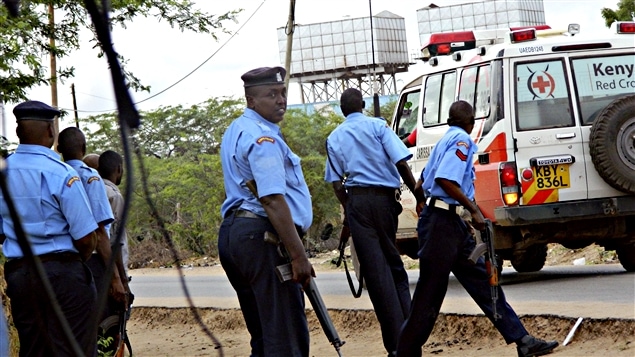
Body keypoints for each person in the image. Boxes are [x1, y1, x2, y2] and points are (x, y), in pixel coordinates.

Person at [396, 100, 559, 357]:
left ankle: (522, 340)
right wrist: (473, 209)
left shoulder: (443, 141)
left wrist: (423, 203)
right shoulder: (461, 141)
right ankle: (403, 351)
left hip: (447, 223)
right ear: (470, 122)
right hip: (442, 226)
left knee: (485, 284)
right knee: (429, 293)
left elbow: (421, 183)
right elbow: (445, 179)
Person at [218, 66, 314, 356]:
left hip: (237, 235)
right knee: (285, 337)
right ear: (251, 101)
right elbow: (272, 199)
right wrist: (298, 256)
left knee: (264, 335)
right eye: (271, 95)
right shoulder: (264, 138)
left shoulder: (237, 129)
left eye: (282, 93)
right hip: (262, 238)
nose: (280, 100)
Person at [324, 88, 425, 356]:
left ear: (342, 110)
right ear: (364, 104)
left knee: (376, 274)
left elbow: (336, 183)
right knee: (393, 265)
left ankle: (395, 345)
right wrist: (418, 195)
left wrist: (350, 210)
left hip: (357, 202)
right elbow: (402, 163)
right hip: (384, 202)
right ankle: (410, 339)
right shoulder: (378, 127)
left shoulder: (334, 137)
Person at [0, 100, 98, 356]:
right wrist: (71, 265)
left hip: (20, 276)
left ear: (18, 132)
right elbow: (87, 238)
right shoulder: (62, 174)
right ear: (50, 132)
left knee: (33, 349)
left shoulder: (3, 173)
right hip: (62, 274)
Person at [57, 127, 128, 319]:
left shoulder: (54, 174)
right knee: (99, 319)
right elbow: (102, 234)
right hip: (95, 260)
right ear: (83, 147)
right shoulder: (90, 177)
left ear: (58, 148)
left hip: (60, 262)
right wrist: (117, 279)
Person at [97, 150, 131, 281]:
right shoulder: (114, 196)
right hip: (111, 270)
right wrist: (121, 278)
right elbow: (115, 241)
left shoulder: (93, 189)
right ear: (119, 169)